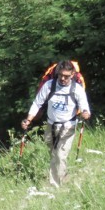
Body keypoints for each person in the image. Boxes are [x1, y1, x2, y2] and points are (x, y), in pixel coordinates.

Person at [20, 60, 91, 188]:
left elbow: (84, 107)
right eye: (60, 75)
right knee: (53, 154)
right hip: (51, 125)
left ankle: (57, 185)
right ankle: (62, 178)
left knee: (60, 154)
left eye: (66, 76)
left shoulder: (77, 89)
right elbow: (37, 103)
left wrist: (85, 113)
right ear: (57, 73)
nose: (63, 78)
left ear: (73, 74)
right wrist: (29, 119)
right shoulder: (49, 85)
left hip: (68, 126)